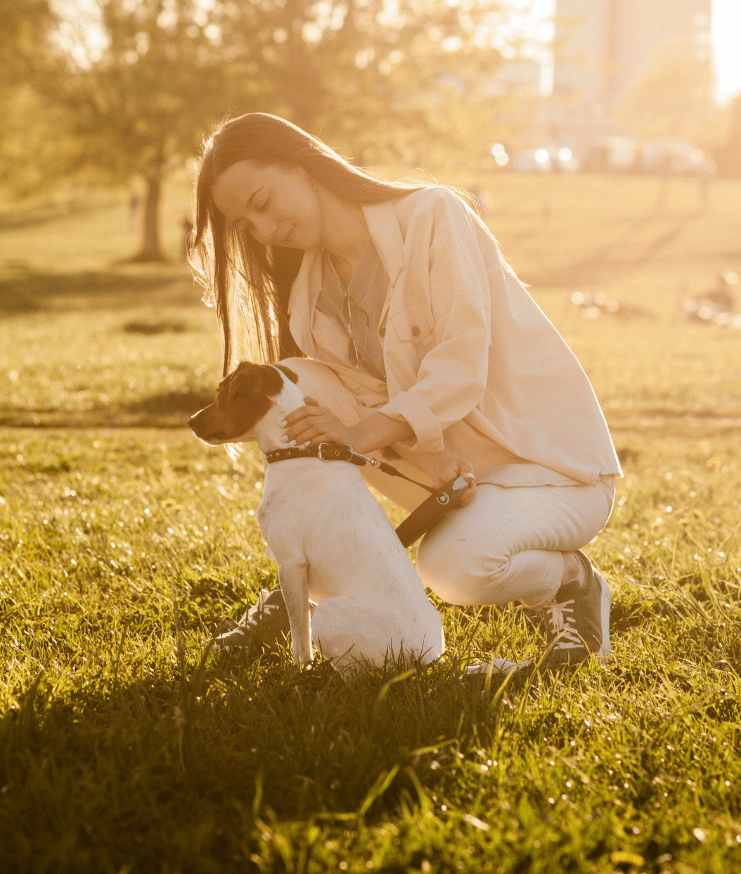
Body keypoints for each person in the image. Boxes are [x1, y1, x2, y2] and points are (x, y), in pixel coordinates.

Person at [188, 113, 621, 667]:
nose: (264, 230)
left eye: (264, 202)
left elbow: (461, 366)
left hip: (551, 471)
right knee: (294, 380)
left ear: (302, 164)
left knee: (454, 570)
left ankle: (571, 581)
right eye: (247, 224)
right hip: (450, 478)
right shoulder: (307, 294)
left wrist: (360, 433)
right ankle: (299, 592)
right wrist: (430, 458)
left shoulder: (433, 216)